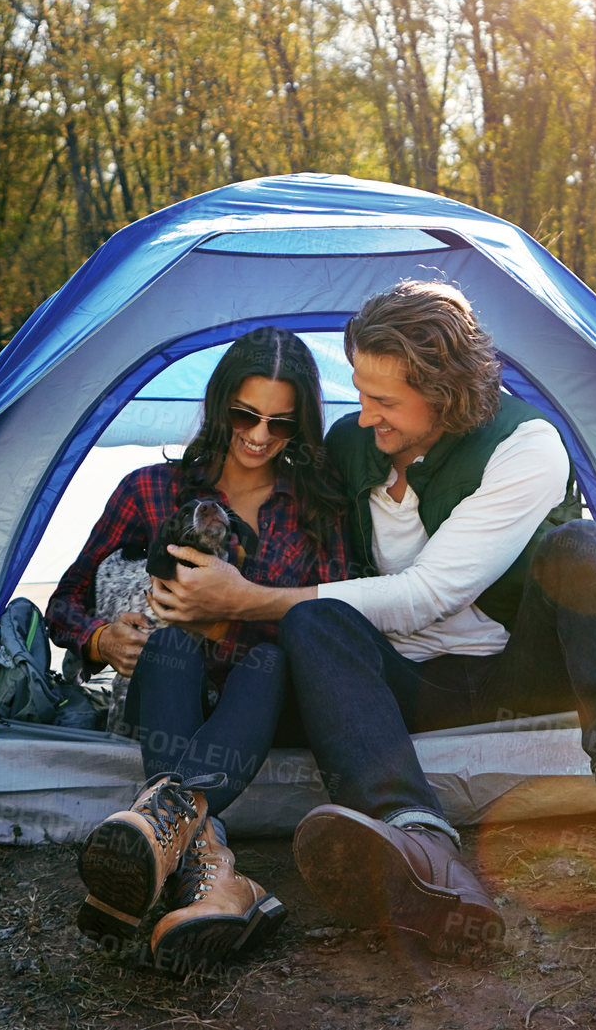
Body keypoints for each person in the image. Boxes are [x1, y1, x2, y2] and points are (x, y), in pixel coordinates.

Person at [149, 282, 596, 951]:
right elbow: (268, 495)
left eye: (385, 400)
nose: (365, 415)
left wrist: (244, 598)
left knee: (580, 545)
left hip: (513, 672)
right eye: (360, 392)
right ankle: (422, 847)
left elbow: (429, 592)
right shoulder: (350, 444)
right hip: (398, 685)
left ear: (446, 391)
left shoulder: (526, 444)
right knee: (314, 620)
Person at [46, 327, 352, 973]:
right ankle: (212, 873)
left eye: (281, 423)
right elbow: (64, 603)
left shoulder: (317, 509)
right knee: (171, 643)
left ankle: (165, 827)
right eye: (246, 414)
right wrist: (102, 639)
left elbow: (340, 621)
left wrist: (236, 611)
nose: (261, 435)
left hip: (267, 700)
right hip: (166, 690)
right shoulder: (148, 490)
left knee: (266, 658)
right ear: (219, 407)